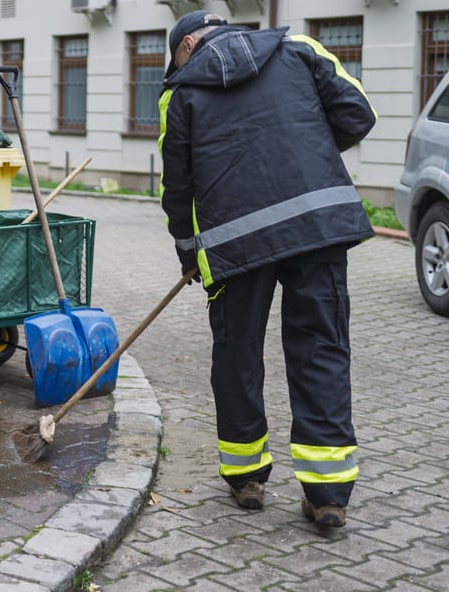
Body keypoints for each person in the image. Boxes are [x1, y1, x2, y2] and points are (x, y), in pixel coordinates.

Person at [158, 11, 376, 529]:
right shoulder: (301, 50)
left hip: (234, 245)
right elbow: (358, 114)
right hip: (315, 225)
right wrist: (302, 152)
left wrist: (190, 253)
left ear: (188, 43)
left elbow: (177, 189)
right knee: (321, 347)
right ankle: (327, 495)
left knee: (237, 355)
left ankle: (247, 479)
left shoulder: (181, 93)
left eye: (176, 60)